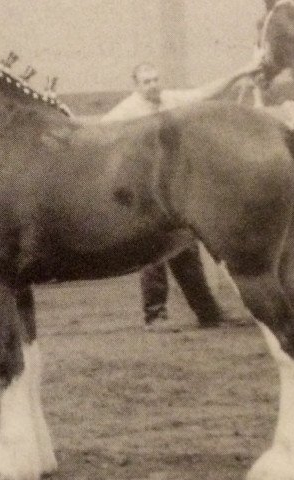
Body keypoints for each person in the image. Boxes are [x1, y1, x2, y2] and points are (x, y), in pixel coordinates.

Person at [102, 61, 260, 329]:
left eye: (155, 79)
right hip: (144, 190)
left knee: (185, 246)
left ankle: (208, 313)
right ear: (136, 85)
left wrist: (238, 73)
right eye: (146, 82)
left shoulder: (171, 99)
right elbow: (100, 133)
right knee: (152, 251)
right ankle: (155, 315)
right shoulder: (126, 110)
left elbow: (204, 93)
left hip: (174, 188)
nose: (153, 85)